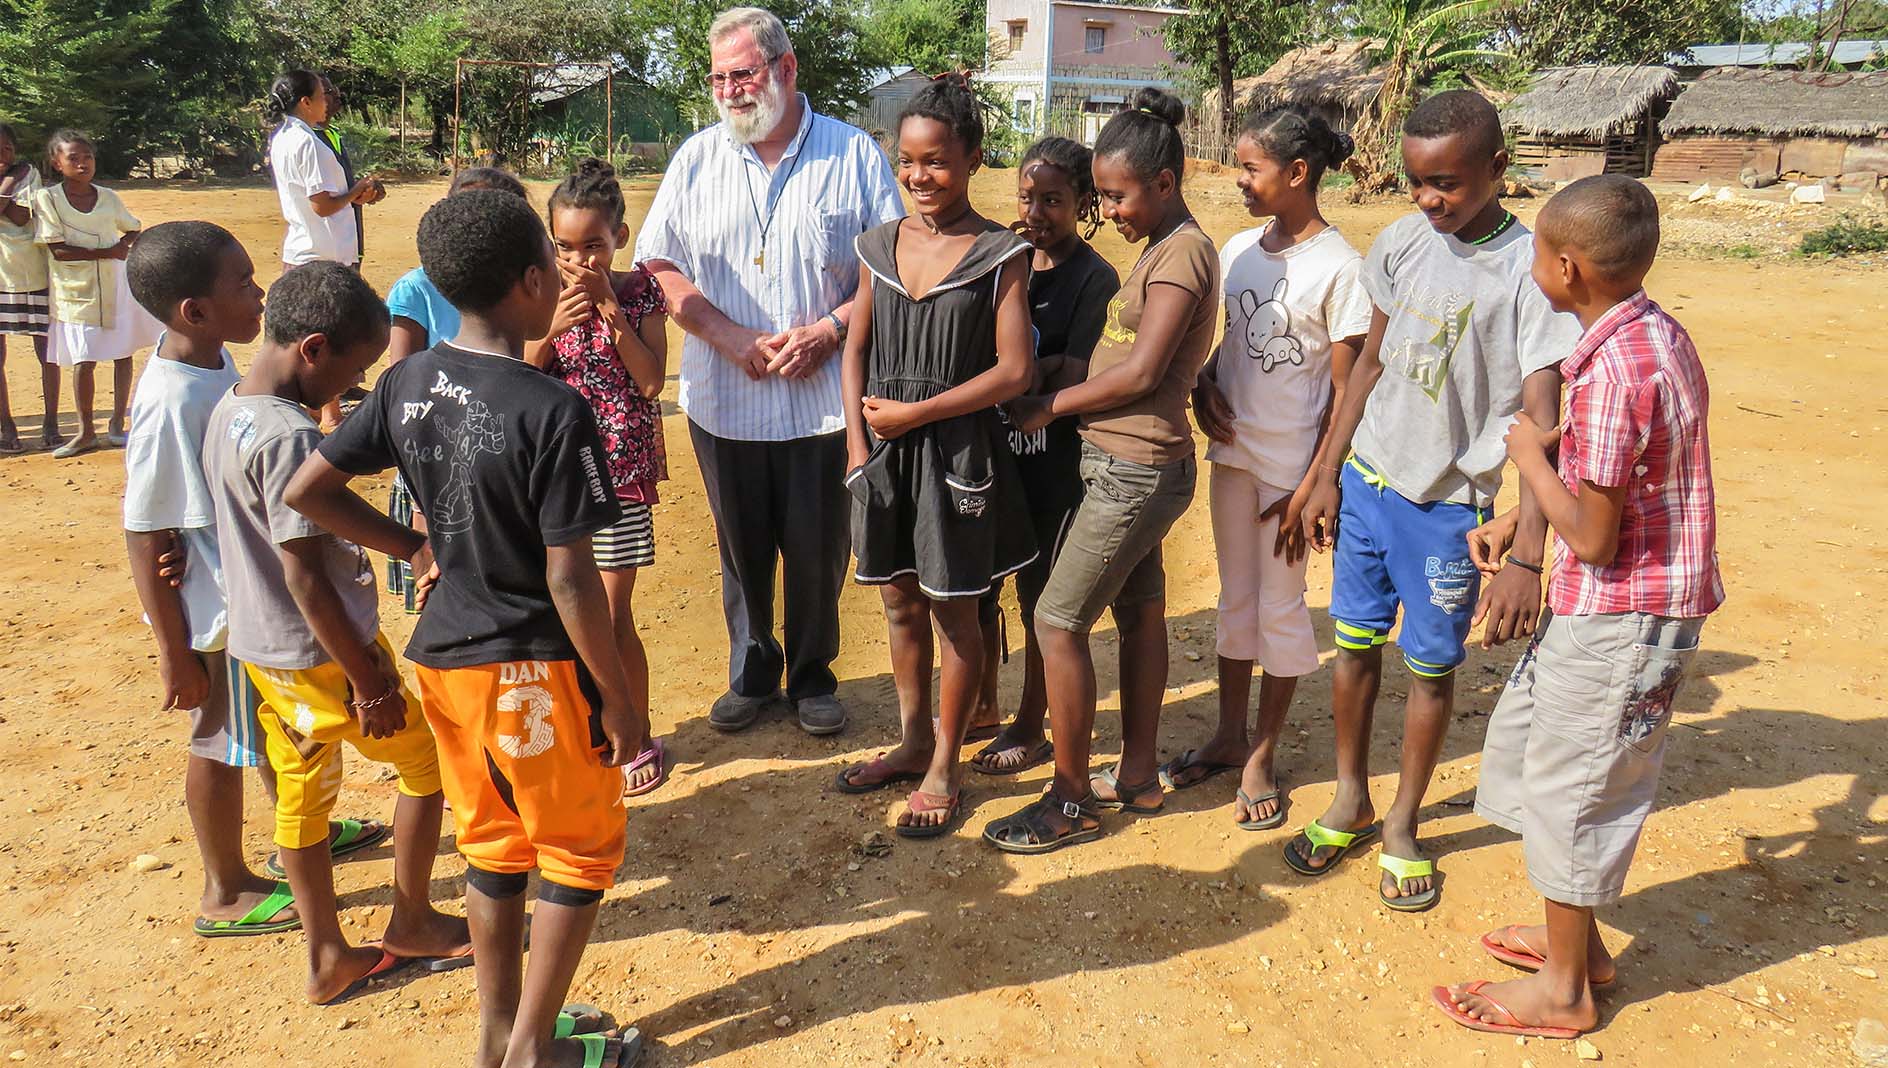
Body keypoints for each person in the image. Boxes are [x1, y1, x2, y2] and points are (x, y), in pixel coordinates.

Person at [287, 190, 644, 1067]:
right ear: (532, 280)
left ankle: (497, 1034)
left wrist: (412, 543)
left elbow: (309, 492)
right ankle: (531, 1050)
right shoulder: (552, 408)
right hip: (533, 668)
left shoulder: (408, 379)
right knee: (577, 850)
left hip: (445, 663)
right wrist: (620, 700)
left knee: (493, 842)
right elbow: (570, 578)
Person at [1436, 175, 1723, 1038]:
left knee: (1577, 790)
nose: (1528, 264)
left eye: (1534, 253)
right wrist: (1521, 516)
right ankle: (1580, 949)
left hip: (1621, 611)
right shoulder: (1648, 334)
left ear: (1566, 266)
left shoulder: (1608, 376)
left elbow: (1594, 537)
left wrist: (1526, 458)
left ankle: (1564, 992)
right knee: (1562, 767)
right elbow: (1611, 481)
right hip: (1626, 604)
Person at [1287, 90, 1580, 911]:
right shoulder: (1401, 242)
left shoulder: (1528, 276)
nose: (1429, 199)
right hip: (1370, 486)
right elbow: (1368, 366)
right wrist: (1324, 474)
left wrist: (1528, 553)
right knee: (1352, 650)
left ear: (1497, 167)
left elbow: (1540, 421)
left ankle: (1405, 824)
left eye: (1447, 183)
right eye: (1417, 182)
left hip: (1449, 512)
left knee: (1430, 668)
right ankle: (1351, 796)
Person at [202, 262, 469, 1005]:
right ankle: (412, 918)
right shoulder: (289, 438)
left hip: (264, 652)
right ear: (313, 349)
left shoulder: (231, 410)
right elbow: (307, 577)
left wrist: (403, 545)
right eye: (351, 371)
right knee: (427, 767)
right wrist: (371, 681)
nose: (346, 391)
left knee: (303, 791)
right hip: (324, 653)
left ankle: (327, 953)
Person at [636, 6, 903, 737]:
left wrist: (830, 328)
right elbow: (659, 264)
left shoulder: (852, 155)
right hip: (726, 397)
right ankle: (753, 670)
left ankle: (813, 674)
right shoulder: (696, 158)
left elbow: (890, 267)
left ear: (785, 70)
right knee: (741, 547)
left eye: (743, 74)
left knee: (818, 549)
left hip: (824, 400)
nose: (730, 90)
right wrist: (726, 336)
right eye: (719, 78)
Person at [981, 88, 1221, 854]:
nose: (1109, 211)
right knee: (1141, 613)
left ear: (1164, 183)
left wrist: (1049, 406)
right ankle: (1140, 774)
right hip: (1128, 464)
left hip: (1135, 471)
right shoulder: (1163, 247)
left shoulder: (1181, 253)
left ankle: (1071, 797)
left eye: (1116, 196)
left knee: (1056, 620)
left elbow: (1142, 371)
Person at [833, 75, 1035, 837]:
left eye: (938, 162)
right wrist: (858, 444)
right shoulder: (878, 245)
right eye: (907, 163)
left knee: (956, 610)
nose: (921, 178)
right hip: (883, 453)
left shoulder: (998, 254)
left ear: (973, 158)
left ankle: (948, 759)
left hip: (957, 453)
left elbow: (1014, 371)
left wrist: (918, 411)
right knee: (897, 598)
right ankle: (914, 739)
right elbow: (856, 348)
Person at [1161, 108, 1372, 830]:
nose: (1240, 181)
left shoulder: (1342, 269)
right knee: (1235, 600)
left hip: (1291, 474)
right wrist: (1202, 388)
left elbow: (1344, 393)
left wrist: (1320, 481)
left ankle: (1262, 752)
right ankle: (1227, 732)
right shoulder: (1241, 248)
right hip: (1235, 458)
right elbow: (1223, 346)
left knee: (1282, 610)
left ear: (1298, 173)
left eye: (1251, 169)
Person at [122, 221, 299, 938]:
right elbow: (143, 529)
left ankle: (296, 839)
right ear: (194, 310)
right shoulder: (169, 400)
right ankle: (223, 885)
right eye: (245, 285)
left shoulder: (213, 362)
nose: (260, 295)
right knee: (220, 742)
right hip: (214, 617)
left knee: (266, 725)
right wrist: (173, 650)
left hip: (240, 598)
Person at [968, 135, 1118, 776]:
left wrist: (1018, 368)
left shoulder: (1095, 277)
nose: (1036, 212)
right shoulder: (1005, 260)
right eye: (1027, 197)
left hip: (1055, 464)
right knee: (977, 585)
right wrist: (1023, 367)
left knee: (1039, 597)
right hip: (991, 455)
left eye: (1053, 200)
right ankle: (980, 704)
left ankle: (1032, 723)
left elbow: (1077, 369)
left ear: (1084, 201)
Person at [527, 157, 670, 798]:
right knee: (561, 613)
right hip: (551, 476)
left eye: (594, 245)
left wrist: (612, 313)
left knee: (611, 615)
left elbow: (649, 380)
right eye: (565, 246)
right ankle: (586, 729)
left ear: (621, 237)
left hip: (618, 475)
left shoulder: (639, 293)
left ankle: (634, 734)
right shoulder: (535, 295)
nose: (579, 260)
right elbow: (520, 376)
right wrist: (551, 329)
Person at [382, 166, 529, 613]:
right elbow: (404, 384)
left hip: (501, 452)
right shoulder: (416, 289)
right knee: (439, 590)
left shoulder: (521, 285)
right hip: (435, 452)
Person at [265, 68, 381, 432]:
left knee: (307, 335)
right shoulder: (308, 143)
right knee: (328, 335)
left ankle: (315, 409)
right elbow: (322, 204)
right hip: (323, 252)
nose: (327, 101)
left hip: (304, 247)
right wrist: (355, 190)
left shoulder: (284, 137)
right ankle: (329, 413)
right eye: (322, 95)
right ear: (305, 102)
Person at [33, 129, 156, 458]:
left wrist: (122, 248)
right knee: (83, 359)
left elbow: (132, 227)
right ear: (56, 163)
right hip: (74, 291)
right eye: (73, 158)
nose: (83, 163)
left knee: (122, 353)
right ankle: (85, 430)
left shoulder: (108, 197)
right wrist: (108, 252)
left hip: (115, 284)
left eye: (87, 157)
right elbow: (57, 250)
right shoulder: (47, 199)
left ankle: (117, 423)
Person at [0, 122, 59, 454]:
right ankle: (6, 425)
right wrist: (7, 186)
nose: (3, 155)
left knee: (46, 351)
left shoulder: (28, 173)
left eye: (8, 149)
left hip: (32, 273)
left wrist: (6, 185)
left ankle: (51, 421)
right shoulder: (16, 177)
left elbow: (23, 217)